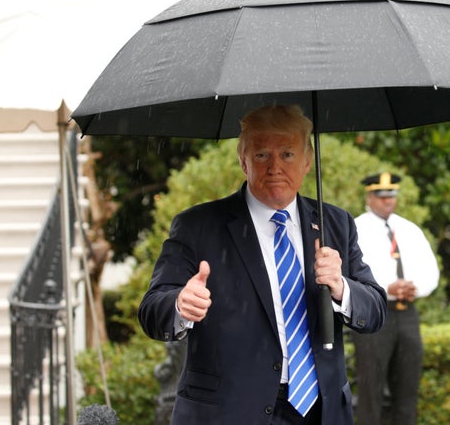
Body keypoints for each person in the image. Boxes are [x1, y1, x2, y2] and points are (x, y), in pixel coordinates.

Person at [138, 105, 387, 425]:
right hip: (230, 412)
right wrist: (179, 305)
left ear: (307, 161)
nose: (274, 167)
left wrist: (340, 287)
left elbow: (376, 310)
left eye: (287, 154)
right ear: (243, 161)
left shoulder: (334, 223)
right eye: (261, 155)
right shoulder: (198, 226)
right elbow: (152, 312)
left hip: (321, 412)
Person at [352, 172, 440, 425]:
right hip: (375, 315)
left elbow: (430, 270)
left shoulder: (409, 229)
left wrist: (416, 288)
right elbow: (353, 273)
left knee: (407, 387)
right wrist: (388, 288)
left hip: (407, 314)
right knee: (371, 389)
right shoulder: (357, 228)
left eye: (391, 196)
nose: (388, 201)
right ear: (369, 197)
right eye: (381, 196)